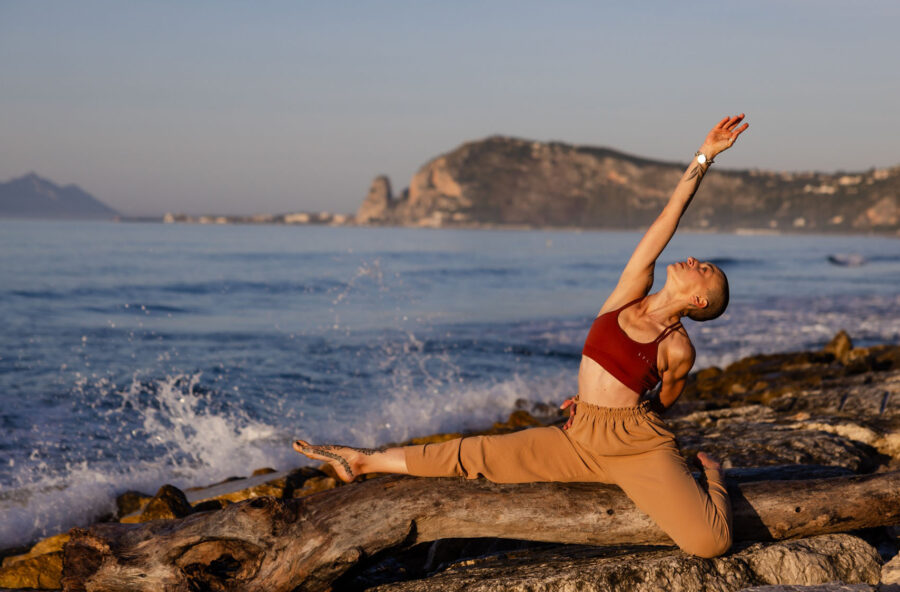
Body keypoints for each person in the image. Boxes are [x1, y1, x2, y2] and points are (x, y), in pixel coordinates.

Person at [294, 114, 750, 558]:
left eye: (704, 269)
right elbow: (667, 220)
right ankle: (363, 460)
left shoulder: (678, 347)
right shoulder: (627, 296)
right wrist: (704, 156)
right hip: (579, 438)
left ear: (701, 303)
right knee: (477, 455)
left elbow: (665, 397)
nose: (693, 259)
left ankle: (711, 477)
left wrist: (622, 418)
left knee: (711, 543)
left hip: (636, 448)